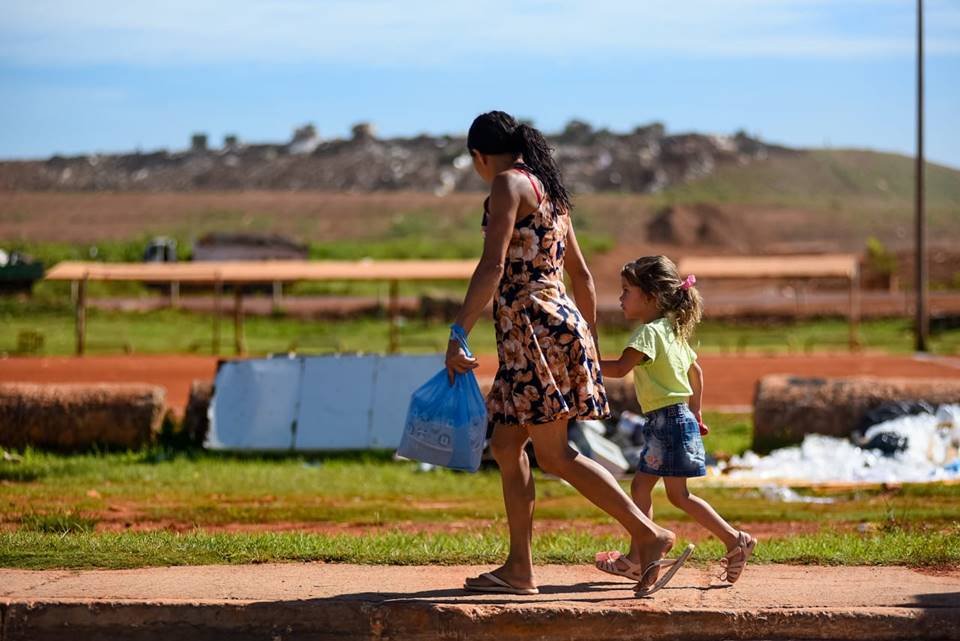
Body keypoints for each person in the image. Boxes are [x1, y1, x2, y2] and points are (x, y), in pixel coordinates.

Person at [445, 111, 689, 597]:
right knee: (507, 445)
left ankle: (648, 533)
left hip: (532, 331)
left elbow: (493, 265)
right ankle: (519, 569)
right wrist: (589, 343)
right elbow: (583, 277)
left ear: (479, 156)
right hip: (554, 328)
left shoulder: (507, 186)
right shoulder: (551, 194)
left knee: (554, 454)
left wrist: (459, 332)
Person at [594, 256, 756, 585]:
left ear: (651, 297)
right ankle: (734, 540)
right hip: (678, 418)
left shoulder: (648, 333)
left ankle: (639, 558)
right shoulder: (673, 330)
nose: (620, 298)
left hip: (664, 422)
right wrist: (695, 412)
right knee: (678, 496)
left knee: (643, 487)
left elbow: (621, 369)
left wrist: (583, 364)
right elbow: (696, 373)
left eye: (627, 291)